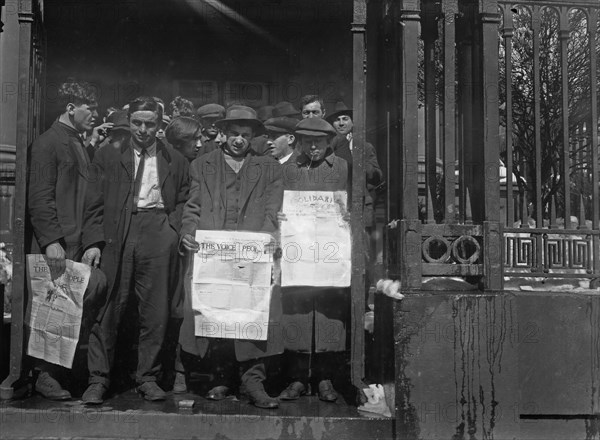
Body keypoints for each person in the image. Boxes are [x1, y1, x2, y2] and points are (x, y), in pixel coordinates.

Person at [82, 96, 189, 404]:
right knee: (108, 305)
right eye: (137, 123)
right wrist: (93, 242)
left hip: (157, 230)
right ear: (129, 123)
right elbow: (93, 204)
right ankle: (98, 379)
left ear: (161, 125)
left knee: (155, 310)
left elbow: (183, 198)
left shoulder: (175, 160)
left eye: (150, 124)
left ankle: (147, 377)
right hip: (119, 233)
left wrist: (172, 229)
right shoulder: (107, 156)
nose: (143, 130)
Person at [178, 105, 284, 409]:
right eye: (234, 134)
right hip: (213, 254)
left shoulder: (269, 167)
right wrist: (188, 232)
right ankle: (221, 377)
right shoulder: (202, 165)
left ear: (253, 137)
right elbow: (193, 206)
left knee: (252, 312)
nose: (239, 140)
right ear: (223, 134)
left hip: (251, 255)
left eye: (245, 135)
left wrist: (264, 241)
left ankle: (253, 382)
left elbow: (272, 210)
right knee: (217, 311)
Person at [27, 81, 107, 400]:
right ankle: (43, 374)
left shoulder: (76, 143)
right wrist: (50, 241)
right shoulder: (48, 143)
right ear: (71, 108)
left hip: (75, 242)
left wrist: (90, 242)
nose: (96, 115)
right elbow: (40, 197)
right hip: (58, 244)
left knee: (70, 303)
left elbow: (88, 200)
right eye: (92, 109)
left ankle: (55, 371)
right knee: (53, 306)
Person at [278, 117, 349, 403]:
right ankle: (297, 379)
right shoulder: (288, 170)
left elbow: (358, 201)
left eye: (319, 142)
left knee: (329, 315)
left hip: (331, 255)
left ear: (329, 142)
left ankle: (325, 379)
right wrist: (279, 217)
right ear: (300, 143)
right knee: (298, 313)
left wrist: (349, 217)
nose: (313, 147)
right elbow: (276, 201)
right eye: (308, 142)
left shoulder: (343, 167)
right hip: (299, 255)